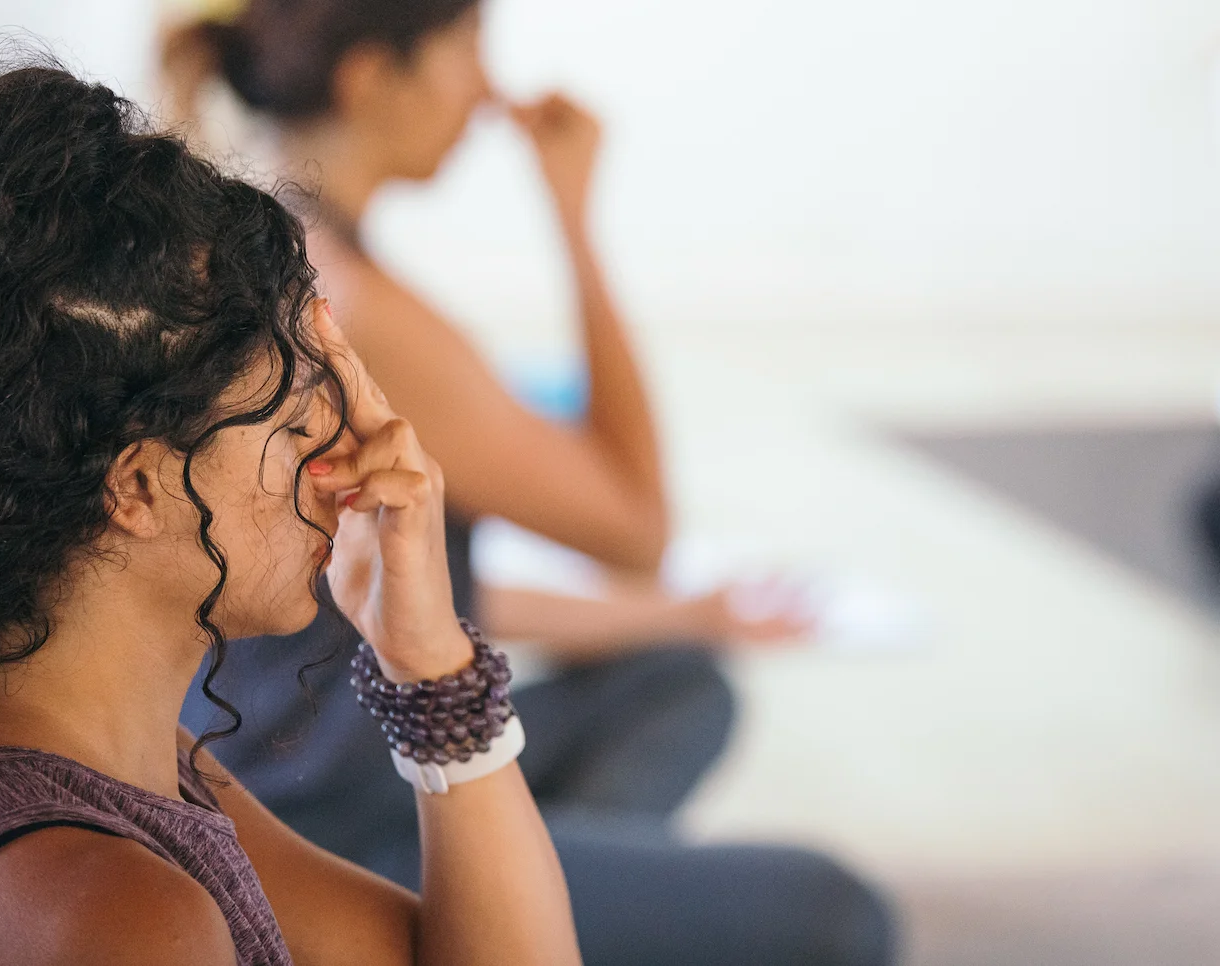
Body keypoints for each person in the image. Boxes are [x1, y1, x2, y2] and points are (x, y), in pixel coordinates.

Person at [163, 2, 895, 964]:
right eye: (467, 49)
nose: (488, 90)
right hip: (340, 815)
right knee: (840, 914)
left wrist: (689, 614)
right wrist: (573, 213)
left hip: (297, 761)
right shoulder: (355, 309)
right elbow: (635, 527)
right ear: (372, 77)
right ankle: (509, 907)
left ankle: (541, 896)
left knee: (676, 683)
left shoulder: (266, 244)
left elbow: (382, 588)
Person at [0, 62, 582, 965]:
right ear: (137, 487)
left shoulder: (137, 769)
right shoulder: (119, 913)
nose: (343, 457)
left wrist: (428, 660)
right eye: (292, 424)